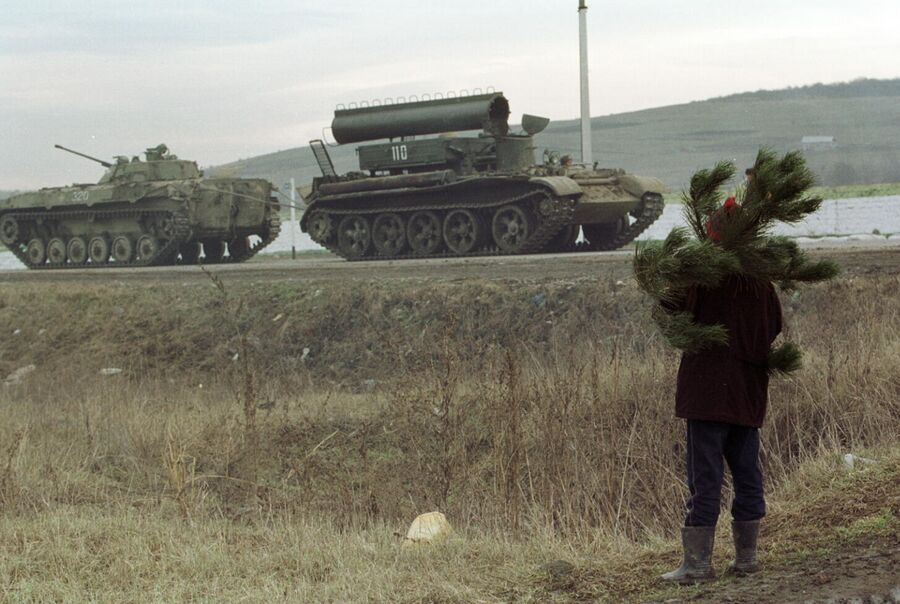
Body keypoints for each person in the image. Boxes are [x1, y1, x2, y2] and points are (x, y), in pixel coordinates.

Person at [660, 203, 784, 584]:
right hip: (747, 392)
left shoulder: (700, 276)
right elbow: (774, 326)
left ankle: (697, 565)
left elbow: (669, 312)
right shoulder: (760, 280)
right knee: (747, 472)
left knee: (705, 476)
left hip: (706, 393)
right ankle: (747, 559)